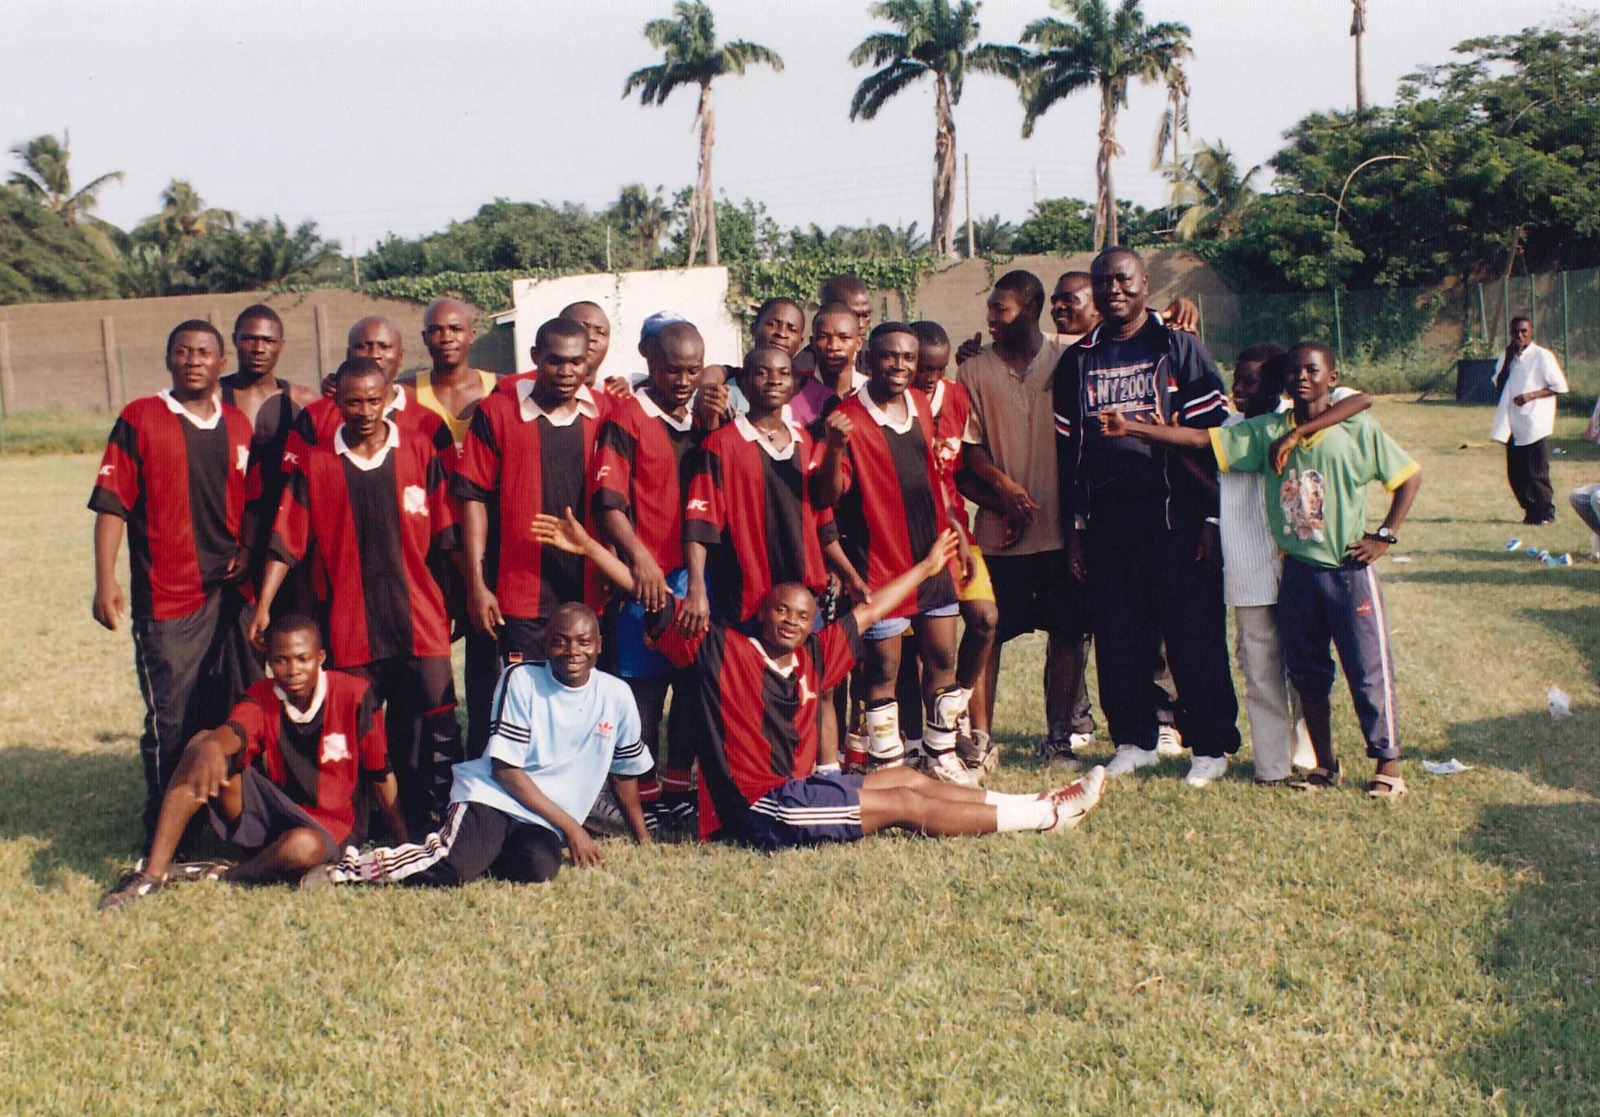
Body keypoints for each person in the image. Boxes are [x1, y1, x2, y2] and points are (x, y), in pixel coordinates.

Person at [547, 521, 1106, 846]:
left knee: (906, 778)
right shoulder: (722, 649)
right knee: (906, 804)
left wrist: (928, 565)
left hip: (796, 791)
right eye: (782, 611)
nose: (791, 619)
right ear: (763, 614)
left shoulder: (816, 651)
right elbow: (654, 599)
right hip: (760, 809)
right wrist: (593, 549)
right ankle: (1043, 818)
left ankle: (1032, 801)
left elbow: (873, 609)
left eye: (802, 613)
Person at [1103, 341, 1422, 798]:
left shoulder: (1355, 425)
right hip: (1297, 572)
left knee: (1367, 671)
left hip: (1348, 572)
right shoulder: (1266, 430)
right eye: (1294, 371)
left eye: (1312, 370)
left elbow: (1408, 476)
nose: (1302, 377)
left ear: (1332, 377)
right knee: (1308, 675)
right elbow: (1199, 440)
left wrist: (1384, 535)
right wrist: (1132, 428)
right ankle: (1324, 766)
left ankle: (1388, 765)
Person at [1052, 247, 1241, 786]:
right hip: (1110, 523)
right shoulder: (1078, 360)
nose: (1114, 290)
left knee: (1193, 634)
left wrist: (1212, 520)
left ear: (1144, 284)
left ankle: (1210, 744)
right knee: (1119, 636)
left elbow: (1215, 443)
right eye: (1104, 281)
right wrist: (1076, 529)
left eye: (1124, 280)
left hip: (1179, 518)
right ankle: (1134, 739)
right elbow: (1070, 456)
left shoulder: (1178, 347)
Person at [253, 357, 462, 839]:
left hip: (422, 619)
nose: (364, 410)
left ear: (390, 398)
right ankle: (357, 830)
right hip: (349, 625)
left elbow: (448, 535)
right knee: (356, 733)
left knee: (432, 727)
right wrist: (264, 605)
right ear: (337, 402)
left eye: (373, 399)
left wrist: (469, 594)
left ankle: (435, 823)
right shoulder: (318, 464)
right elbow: (288, 540)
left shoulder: (419, 450)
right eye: (353, 401)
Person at [304, 603, 652, 889]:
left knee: (538, 868)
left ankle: (477, 851)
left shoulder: (616, 695)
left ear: (599, 645)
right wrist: (574, 828)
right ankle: (347, 870)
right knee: (451, 867)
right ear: (546, 645)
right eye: (560, 642)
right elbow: (505, 771)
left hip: (542, 819)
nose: (573, 652)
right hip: (494, 798)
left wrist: (644, 841)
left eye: (583, 642)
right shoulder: (523, 680)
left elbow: (624, 775)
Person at [90, 319, 261, 852]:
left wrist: (247, 552)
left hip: (232, 596)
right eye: (183, 351)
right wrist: (104, 579)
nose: (194, 359)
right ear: (169, 359)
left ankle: (235, 818)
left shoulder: (237, 424)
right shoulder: (140, 417)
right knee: (174, 714)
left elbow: (249, 503)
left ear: (220, 360)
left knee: (237, 705)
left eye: (205, 352)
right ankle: (169, 831)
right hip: (170, 595)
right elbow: (113, 503)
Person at [98, 615, 406, 908]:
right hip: (277, 812)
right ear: (269, 663)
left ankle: (231, 875)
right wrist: (211, 744)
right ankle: (152, 875)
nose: (293, 670)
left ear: (320, 657)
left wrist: (404, 842)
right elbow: (235, 733)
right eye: (281, 661)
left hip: (330, 828)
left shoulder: (354, 695)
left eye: (302, 659)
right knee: (202, 746)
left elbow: (381, 774)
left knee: (303, 846)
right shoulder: (263, 695)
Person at [812, 323, 976, 784]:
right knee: (882, 668)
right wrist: (835, 448)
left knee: (942, 658)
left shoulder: (921, 405)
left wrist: (957, 530)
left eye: (908, 357)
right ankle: (888, 766)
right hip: (879, 565)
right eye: (890, 357)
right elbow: (825, 497)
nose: (900, 366)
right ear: (868, 361)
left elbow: (933, 477)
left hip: (932, 554)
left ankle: (940, 754)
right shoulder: (845, 417)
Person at [455, 318, 605, 756]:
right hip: (519, 591)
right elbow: (473, 497)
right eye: (555, 360)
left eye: (577, 361)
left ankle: (582, 793)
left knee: (580, 698)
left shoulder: (605, 412)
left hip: (587, 587)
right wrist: (478, 583)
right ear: (536, 358)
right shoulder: (498, 411)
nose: (566, 371)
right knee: (520, 702)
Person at [955, 272, 1086, 770]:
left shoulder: (1070, 354)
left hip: (1062, 533)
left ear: (1031, 309)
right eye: (989, 309)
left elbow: (1130, 329)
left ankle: (1059, 738)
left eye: (1001, 310)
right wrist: (1005, 492)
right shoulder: (974, 371)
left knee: (1068, 634)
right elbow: (970, 450)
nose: (991, 318)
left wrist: (1176, 312)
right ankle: (982, 739)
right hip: (1002, 533)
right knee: (987, 633)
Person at [591, 318, 704, 821]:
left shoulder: (701, 418)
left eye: (692, 370)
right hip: (645, 575)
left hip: (694, 574)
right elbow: (609, 502)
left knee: (693, 680)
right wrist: (639, 560)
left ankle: (680, 787)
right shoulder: (627, 417)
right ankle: (643, 792)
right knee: (643, 687)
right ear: (649, 362)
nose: (682, 380)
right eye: (672, 369)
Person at [896, 320, 1000, 773]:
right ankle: (916, 741)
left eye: (939, 369)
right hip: (909, 539)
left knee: (984, 618)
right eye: (924, 368)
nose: (930, 378)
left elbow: (958, 471)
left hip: (956, 532)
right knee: (908, 647)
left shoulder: (957, 397)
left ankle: (954, 707)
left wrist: (1003, 501)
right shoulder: (895, 403)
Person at [223, 305, 318, 610]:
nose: (259, 348)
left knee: (291, 638)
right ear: (235, 339)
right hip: (228, 537)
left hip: (285, 537)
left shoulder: (303, 401)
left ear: (281, 345)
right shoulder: (210, 397)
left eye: (268, 340)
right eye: (250, 338)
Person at [1490, 316, 1569, 525]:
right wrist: (1508, 359)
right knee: (1515, 473)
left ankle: (1546, 512)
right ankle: (1531, 510)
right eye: (1516, 332)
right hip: (1512, 422)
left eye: (1524, 331)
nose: (1520, 336)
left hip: (1535, 421)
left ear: (1531, 332)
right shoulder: (1508, 356)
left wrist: (1530, 396)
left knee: (1536, 472)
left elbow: (1558, 386)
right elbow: (1498, 384)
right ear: (1510, 334)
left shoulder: (1542, 356)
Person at [404, 297, 499, 460]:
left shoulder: (498, 387)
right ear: (425, 338)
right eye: (436, 330)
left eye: (455, 329)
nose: (446, 338)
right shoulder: (407, 392)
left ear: (471, 335)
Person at [792, 303, 867, 428]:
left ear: (858, 343)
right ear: (813, 343)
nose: (833, 346)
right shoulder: (797, 390)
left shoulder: (869, 391)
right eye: (823, 337)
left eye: (844, 337)